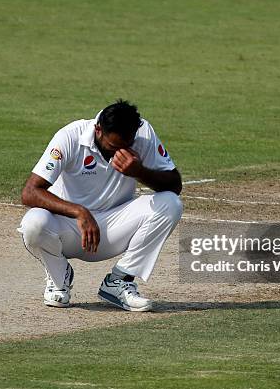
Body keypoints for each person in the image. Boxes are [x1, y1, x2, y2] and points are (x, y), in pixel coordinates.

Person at [17, 99, 183, 312]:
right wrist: (79, 212)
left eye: (126, 146)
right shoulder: (70, 136)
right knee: (33, 223)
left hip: (114, 228)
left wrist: (139, 172)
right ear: (98, 130)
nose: (119, 153)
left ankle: (120, 281)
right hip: (68, 228)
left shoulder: (144, 133)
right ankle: (59, 279)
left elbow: (175, 184)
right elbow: (30, 192)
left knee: (171, 203)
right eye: (113, 147)